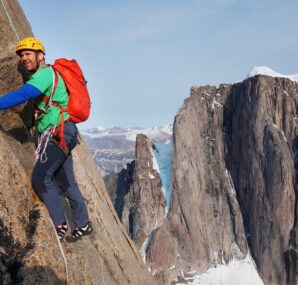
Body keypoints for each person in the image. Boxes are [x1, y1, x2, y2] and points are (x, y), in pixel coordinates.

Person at [0, 37, 92, 242]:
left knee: (40, 178)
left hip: (58, 133)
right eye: (21, 55)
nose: (24, 58)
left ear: (40, 56)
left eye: (28, 54)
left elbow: (24, 94)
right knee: (66, 183)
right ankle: (83, 223)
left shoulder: (44, 75)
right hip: (65, 132)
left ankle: (59, 225)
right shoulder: (49, 73)